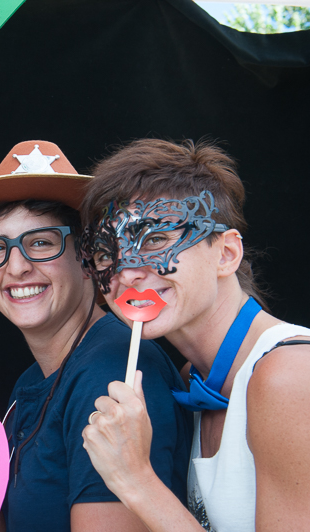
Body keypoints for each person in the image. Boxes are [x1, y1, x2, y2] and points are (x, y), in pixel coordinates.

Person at [0, 141, 192, 531]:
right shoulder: (31, 382)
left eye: (41, 243)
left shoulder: (112, 374)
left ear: (89, 259)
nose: (16, 267)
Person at [80, 138, 310, 531]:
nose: (126, 272)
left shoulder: (289, 376)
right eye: (106, 254)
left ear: (226, 254)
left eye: (154, 239)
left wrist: (135, 480)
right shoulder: (191, 380)